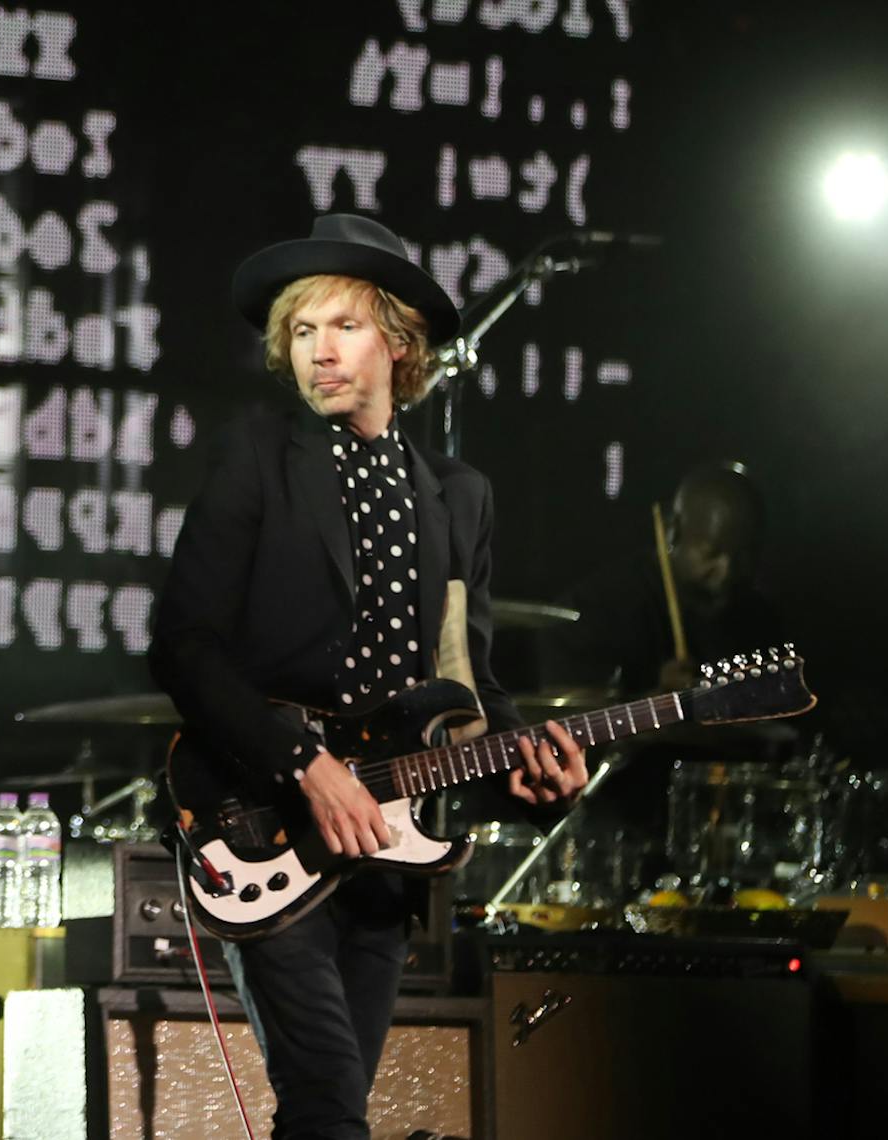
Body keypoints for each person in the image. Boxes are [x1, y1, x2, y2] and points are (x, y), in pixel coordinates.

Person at [150, 213, 588, 1140]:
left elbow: (470, 687)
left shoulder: (460, 495)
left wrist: (534, 777)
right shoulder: (259, 463)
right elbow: (184, 645)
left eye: (341, 326)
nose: (319, 353)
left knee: (327, 1112)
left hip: (393, 849)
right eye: (301, 333)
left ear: (398, 339)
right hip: (268, 818)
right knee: (328, 1105)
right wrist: (306, 764)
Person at [555, 462, 784, 696]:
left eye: (742, 557)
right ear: (670, 531)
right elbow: (575, 715)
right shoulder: (597, 608)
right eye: (710, 554)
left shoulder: (758, 618)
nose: (727, 573)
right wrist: (658, 702)